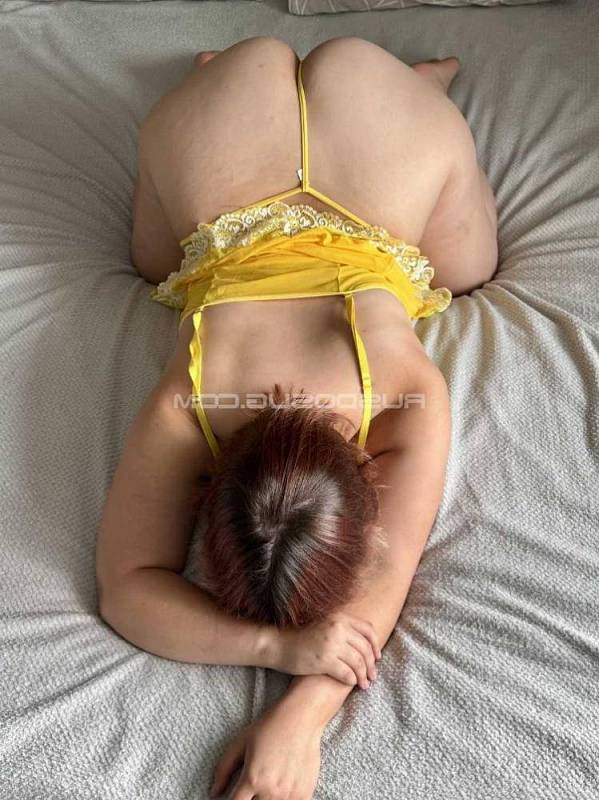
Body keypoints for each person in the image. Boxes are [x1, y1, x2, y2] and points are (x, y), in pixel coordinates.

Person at [96, 36, 498, 800]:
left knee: (467, 270)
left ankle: (411, 92)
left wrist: (297, 696)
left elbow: (129, 587)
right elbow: (126, 589)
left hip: (317, 128)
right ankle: (389, 89)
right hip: (294, 116)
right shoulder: (194, 403)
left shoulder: (401, 398)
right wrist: (283, 659)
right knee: (158, 263)